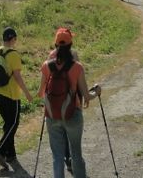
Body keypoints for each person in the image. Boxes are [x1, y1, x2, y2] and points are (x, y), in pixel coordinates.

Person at [38, 27, 100, 178]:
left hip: (52, 116)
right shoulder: (77, 67)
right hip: (73, 114)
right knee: (76, 154)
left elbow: (40, 93)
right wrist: (96, 92)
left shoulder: (47, 66)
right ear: (71, 44)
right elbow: (87, 95)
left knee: (57, 157)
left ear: (55, 45)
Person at [0, 26, 34, 170]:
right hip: (11, 95)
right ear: (13, 39)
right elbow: (17, 76)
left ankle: (11, 155)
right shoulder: (13, 54)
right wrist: (27, 92)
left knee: (8, 124)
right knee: (13, 124)